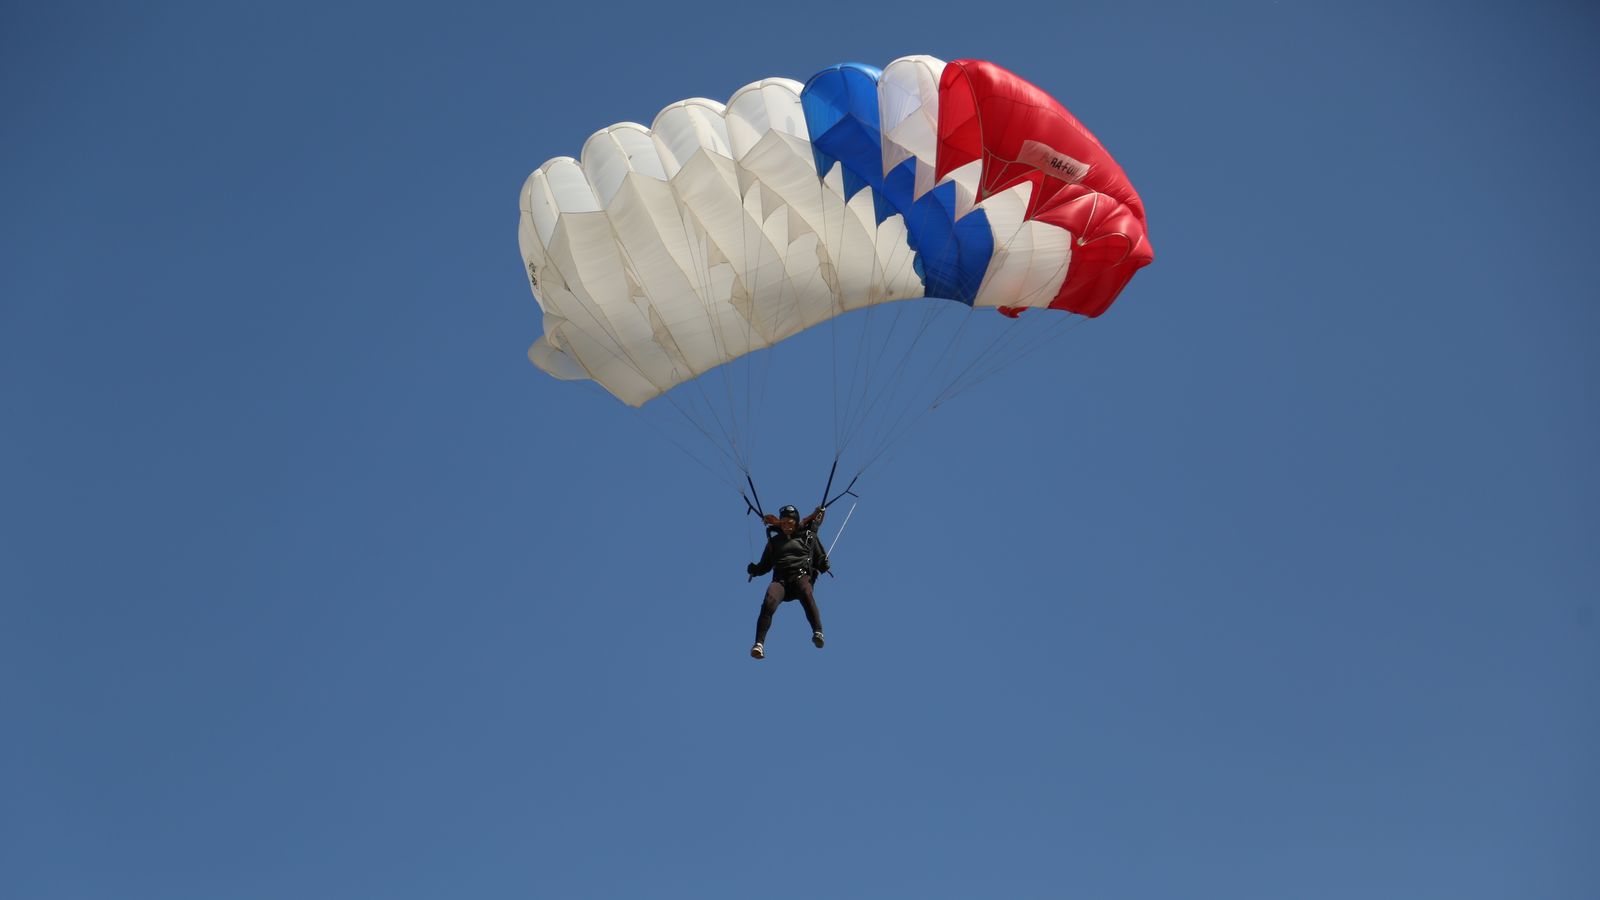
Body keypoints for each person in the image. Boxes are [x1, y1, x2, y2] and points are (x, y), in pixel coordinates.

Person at [746, 504, 829, 659]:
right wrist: (754, 570)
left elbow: (820, 560)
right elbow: (764, 566)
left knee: (806, 593)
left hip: (801, 577)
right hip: (781, 581)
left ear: (796, 522)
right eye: (783, 523)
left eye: (790, 523)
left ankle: (817, 631)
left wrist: (824, 564)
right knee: (769, 601)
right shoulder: (774, 542)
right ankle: (758, 644)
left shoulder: (808, 537)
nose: (786, 526)